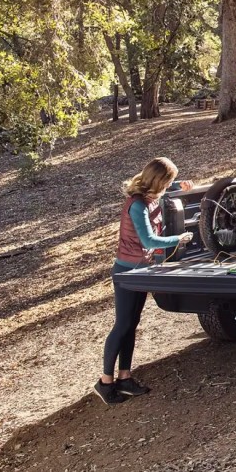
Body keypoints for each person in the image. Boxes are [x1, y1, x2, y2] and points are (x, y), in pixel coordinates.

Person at [94, 157, 195, 406]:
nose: (169, 185)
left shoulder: (151, 194)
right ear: (158, 180)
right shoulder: (137, 206)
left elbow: (169, 189)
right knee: (122, 325)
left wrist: (181, 185)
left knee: (132, 323)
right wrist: (179, 239)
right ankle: (105, 381)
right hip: (127, 271)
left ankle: (125, 377)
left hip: (141, 271)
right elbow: (148, 241)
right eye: (168, 181)